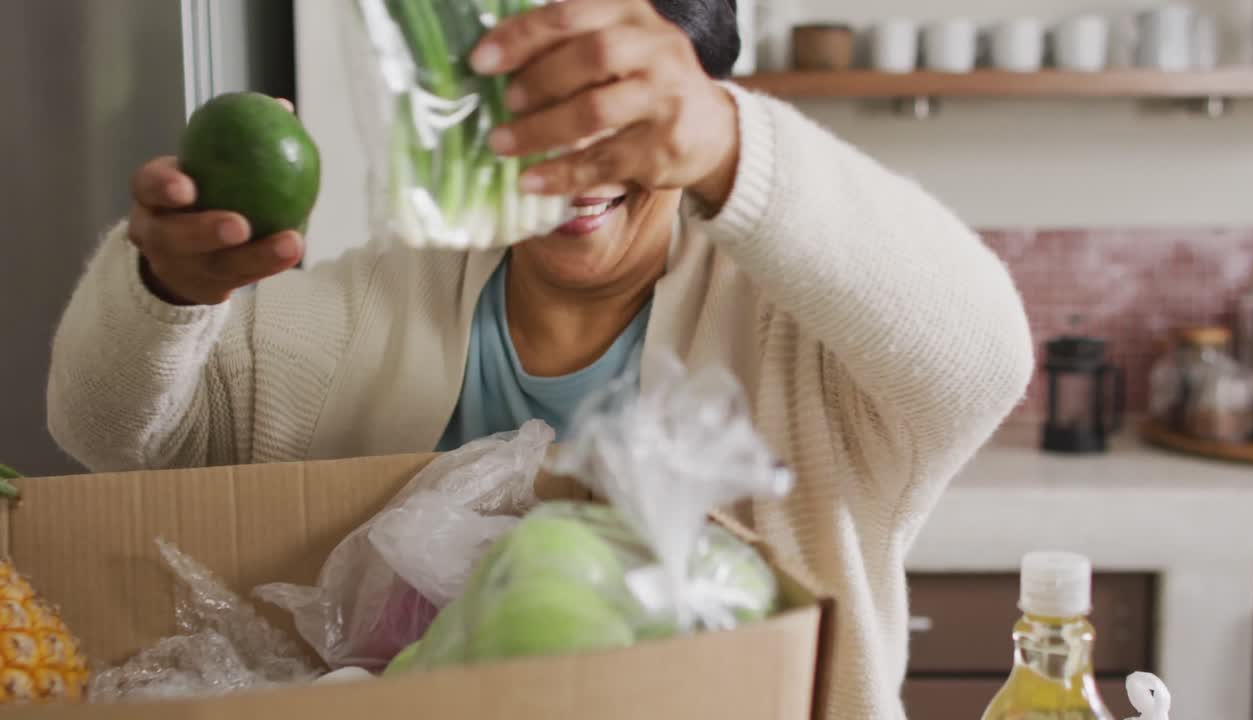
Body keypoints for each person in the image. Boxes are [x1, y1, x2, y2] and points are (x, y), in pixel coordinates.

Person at [47, 0, 1034, 717]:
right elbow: (111, 438)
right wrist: (167, 290)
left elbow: (979, 358)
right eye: (539, 105)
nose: (585, 152)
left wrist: (741, 147)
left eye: (614, 99)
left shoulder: (798, 344)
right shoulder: (361, 309)